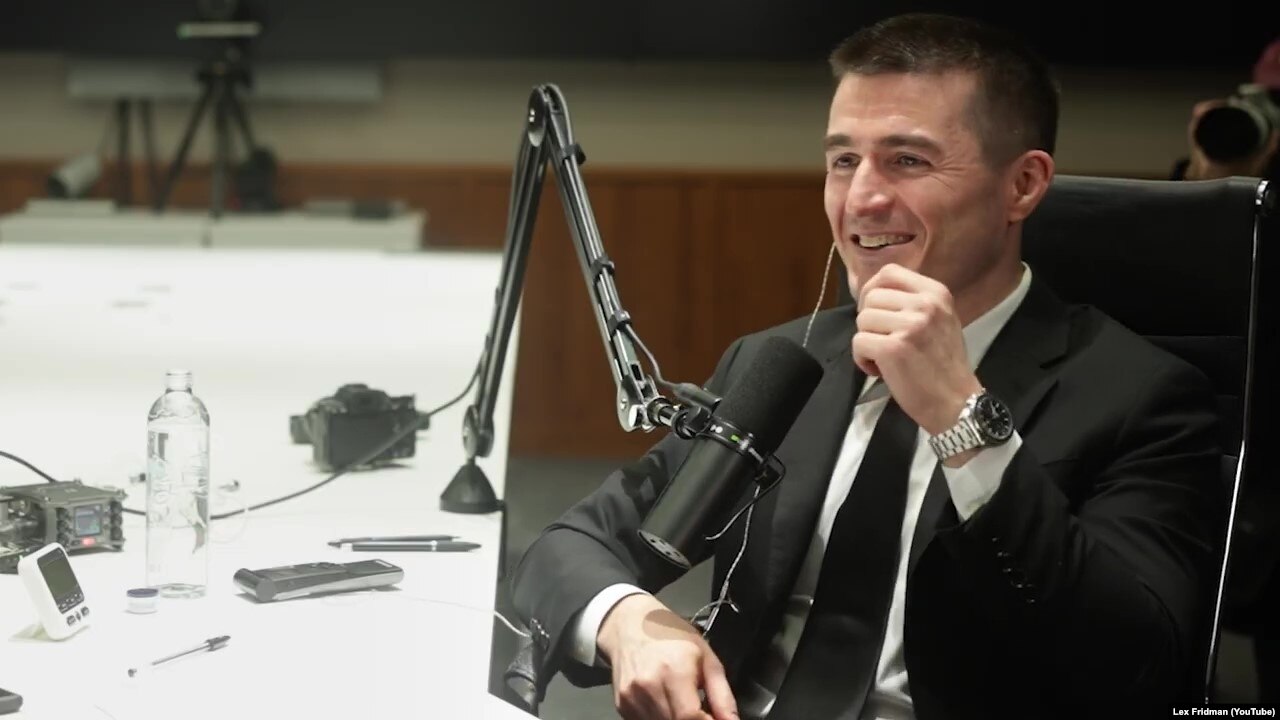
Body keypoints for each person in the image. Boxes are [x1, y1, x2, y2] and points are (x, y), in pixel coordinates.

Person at [509, 12, 1225, 719]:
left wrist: (963, 420)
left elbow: (1135, 667)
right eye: (844, 161)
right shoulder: (781, 364)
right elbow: (570, 544)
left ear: (1023, 186)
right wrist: (629, 621)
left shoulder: (1143, 397)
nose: (861, 200)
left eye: (907, 161)